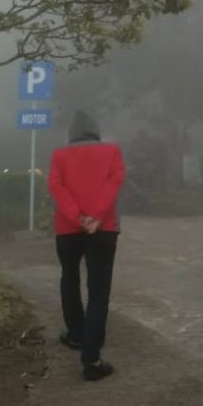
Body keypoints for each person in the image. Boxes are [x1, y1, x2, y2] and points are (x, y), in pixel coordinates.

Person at [47, 110, 126, 381]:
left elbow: (57, 187)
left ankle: (76, 335)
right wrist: (96, 217)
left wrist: (78, 217)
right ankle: (91, 361)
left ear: (72, 134)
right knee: (98, 293)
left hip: (67, 230)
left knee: (69, 279)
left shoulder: (59, 156)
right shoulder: (112, 152)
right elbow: (113, 183)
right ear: (96, 131)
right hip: (103, 230)